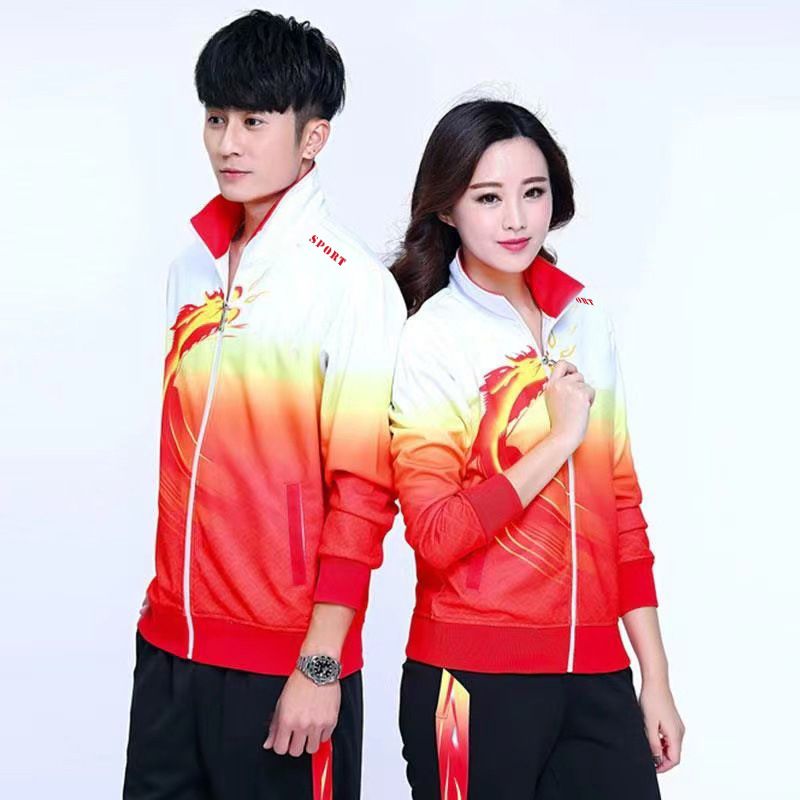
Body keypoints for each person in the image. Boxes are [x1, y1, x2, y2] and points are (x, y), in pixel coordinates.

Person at [123, 11, 405, 799]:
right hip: (170, 652)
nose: (228, 143)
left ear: (313, 138)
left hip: (286, 667)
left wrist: (320, 665)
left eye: (254, 121)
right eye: (216, 118)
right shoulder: (192, 268)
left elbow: (364, 492)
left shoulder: (350, 284)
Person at [388, 99, 685, 799]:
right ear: (447, 208)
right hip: (468, 681)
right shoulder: (432, 337)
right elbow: (435, 534)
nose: (517, 219)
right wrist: (558, 439)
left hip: (596, 674)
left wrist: (655, 676)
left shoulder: (585, 319)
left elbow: (621, 509)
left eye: (533, 192)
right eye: (488, 198)